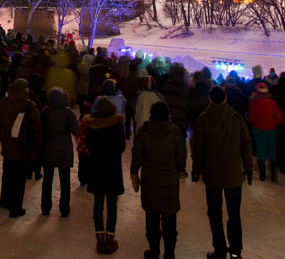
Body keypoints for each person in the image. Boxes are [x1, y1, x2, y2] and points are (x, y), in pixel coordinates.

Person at [190, 85, 254, 259]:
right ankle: (235, 251)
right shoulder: (236, 118)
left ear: (210, 99)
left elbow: (197, 148)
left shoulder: (203, 119)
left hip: (212, 175)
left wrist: (196, 169)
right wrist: (248, 168)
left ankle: (219, 249)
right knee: (234, 214)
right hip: (233, 175)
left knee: (215, 214)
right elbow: (246, 145)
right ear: (225, 98)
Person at [131, 102, 186, 259]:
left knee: (152, 220)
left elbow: (137, 156)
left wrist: (134, 172)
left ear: (151, 115)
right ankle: (170, 253)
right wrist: (180, 169)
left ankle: (154, 251)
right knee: (170, 221)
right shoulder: (174, 132)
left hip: (150, 181)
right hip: (169, 181)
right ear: (167, 116)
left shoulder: (143, 133)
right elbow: (181, 154)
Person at [84, 96, 126, 254]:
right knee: (112, 204)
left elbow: (88, 145)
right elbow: (122, 146)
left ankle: (100, 239)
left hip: (96, 167)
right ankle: (110, 238)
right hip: (112, 167)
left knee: (98, 203)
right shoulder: (116, 124)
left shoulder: (92, 124)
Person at [0, 78, 42, 217]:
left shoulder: (4, 103)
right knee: (19, 179)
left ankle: (5, 200)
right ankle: (15, 206)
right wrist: (36, 147)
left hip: (8, 146)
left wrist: (3, 138)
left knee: (7, 174)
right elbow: (37, 129)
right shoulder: (29, 106)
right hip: (22, 148)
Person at [40, 87, 80, 217]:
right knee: (65, 180)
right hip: (64, 149)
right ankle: (64, 208)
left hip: (49, 146)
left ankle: (45, 207)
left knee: (47, 179)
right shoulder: (68, 112)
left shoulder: (45, 111)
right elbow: (77, 130)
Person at [248, 81, 283, 182]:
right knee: (272, 150)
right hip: (272, 130)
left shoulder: (253, 103)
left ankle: (262, 175)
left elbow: (250, 119)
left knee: (261, 150)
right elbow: (280, 118)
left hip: (258, 129)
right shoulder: (272, 103)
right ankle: (273, 175)